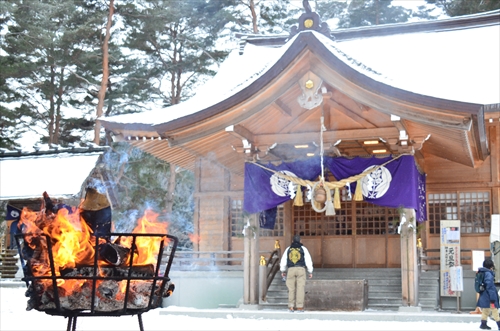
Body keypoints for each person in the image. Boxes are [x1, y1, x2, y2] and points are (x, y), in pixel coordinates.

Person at [280, 235, 313, 312]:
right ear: (300, 241)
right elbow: (308, 260)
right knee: (300, 288)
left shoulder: (288, 249)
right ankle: (299, 306)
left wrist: (283, 271)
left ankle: (291, 306)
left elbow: (283, 260)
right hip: (301, 269)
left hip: (291, 269)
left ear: (292, 241)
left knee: (291, 289)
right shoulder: (303, 249)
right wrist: (310, 271)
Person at [477, 259, 500, 330]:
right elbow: (490, 287)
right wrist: (493, 298)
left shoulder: (482, 272)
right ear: (490, 266)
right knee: (495, 310)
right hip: (490, 297)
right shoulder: (488, 274)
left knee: (486, 310)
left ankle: (483, 324)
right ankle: (499, 325)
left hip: (485, 295)